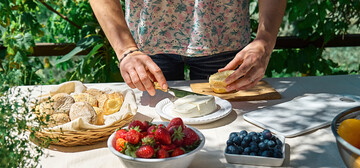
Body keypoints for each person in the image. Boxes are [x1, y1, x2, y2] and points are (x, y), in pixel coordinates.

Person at [89, 0, 287, 96]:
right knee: (154, 131)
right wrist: (125, 50)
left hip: (226, 40)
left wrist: (265, 40)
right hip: (145, 48)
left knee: (229, 135)